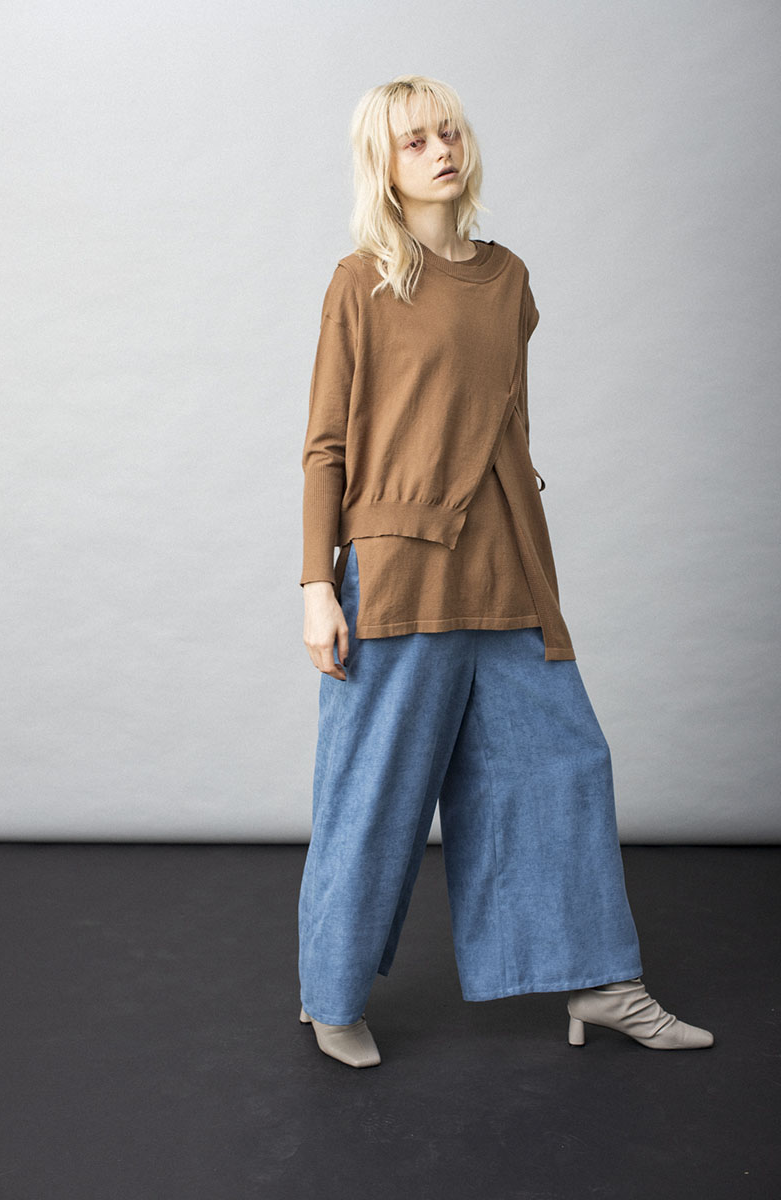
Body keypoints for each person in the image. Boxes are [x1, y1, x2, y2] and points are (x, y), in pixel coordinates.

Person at [296, 74, 714, 1068]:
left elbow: (505, 428)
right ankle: (331, 997)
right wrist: (317, 585)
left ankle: (602, 984)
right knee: (374, 793)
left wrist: (528, 541)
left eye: (448, 132)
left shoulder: (508, 278)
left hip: (505, 565)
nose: (440, 150)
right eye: (414, 141)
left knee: (563, 767)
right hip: (399, 577)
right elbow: (326, 446)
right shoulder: (361, 282)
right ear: (384, 166)